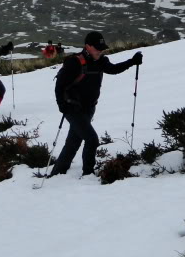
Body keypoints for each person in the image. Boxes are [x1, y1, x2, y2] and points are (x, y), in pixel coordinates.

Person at [50, 31, 143, 177]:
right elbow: (59, 86)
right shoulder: (74, 62)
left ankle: (57, 174)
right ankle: (88, 174)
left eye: (102, 48)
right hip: (73, 108)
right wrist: (63, 106)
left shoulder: (101, 61)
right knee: (92, 139)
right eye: (97, 48)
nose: (100, 51)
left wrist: (132, 61)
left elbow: (113, 69)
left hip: (89, 108)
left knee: (73, 142)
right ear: (87, 46)